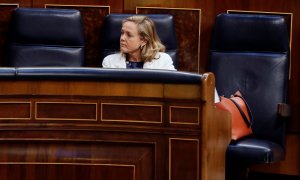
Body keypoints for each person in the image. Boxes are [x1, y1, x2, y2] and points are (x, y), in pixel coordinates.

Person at [102, 15, 176, 70]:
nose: (122, 38)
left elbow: (171, 88)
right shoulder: (109, 62)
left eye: (129, 35)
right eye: (122, 33)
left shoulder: (163, 61)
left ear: (144, 41)